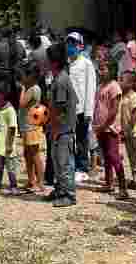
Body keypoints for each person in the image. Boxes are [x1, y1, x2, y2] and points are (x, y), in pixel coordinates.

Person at [46, 43, 78, 208]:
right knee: (57, 162)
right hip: (59, 129)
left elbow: (59, 109)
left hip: (63, 129)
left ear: (55, 62)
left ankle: (69, 195)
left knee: (64, 163)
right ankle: (60, 190)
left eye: (48, 60)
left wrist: (55, 130)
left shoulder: (61, 81)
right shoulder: (58, 78)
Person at [92, 60, 126, 198]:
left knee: (114, 156)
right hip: (101, 127)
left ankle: (123, 187)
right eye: (100, 69)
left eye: (104, 69)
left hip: (111, 128)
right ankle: (109, 183)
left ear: (112, 70)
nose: (101, 71)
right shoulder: (101, 86)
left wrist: (104, 125)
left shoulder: (114, 87)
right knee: (106, 156)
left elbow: (113, 110)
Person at [67, 32, 97, 180]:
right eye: (69, 43)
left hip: (81, 109)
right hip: (67, 108)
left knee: (81, 139)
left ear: (81, 45)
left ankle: (82, 167)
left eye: (74, 43)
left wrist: (88, 111)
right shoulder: (66, 63)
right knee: (69, 139)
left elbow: (90, 88)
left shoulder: (86, 64)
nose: (71, 46)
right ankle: (71, 165)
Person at [18, 61, 46, 193]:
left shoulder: (33, 89)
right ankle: (31, 180)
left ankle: (40, 182)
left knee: (34, 155)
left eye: (24, 76)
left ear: (31, 76)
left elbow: (22, 103)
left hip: (32, 127)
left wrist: (23, 88)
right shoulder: (31, 88)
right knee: (27, 154)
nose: (22, 78)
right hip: (26, 126)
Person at [0, 87, 20, 195]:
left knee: (11, 168)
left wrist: (10, 145)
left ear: (5, 96)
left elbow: (12, 128)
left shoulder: (10, 110)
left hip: (7, 146)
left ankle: (14, 186)